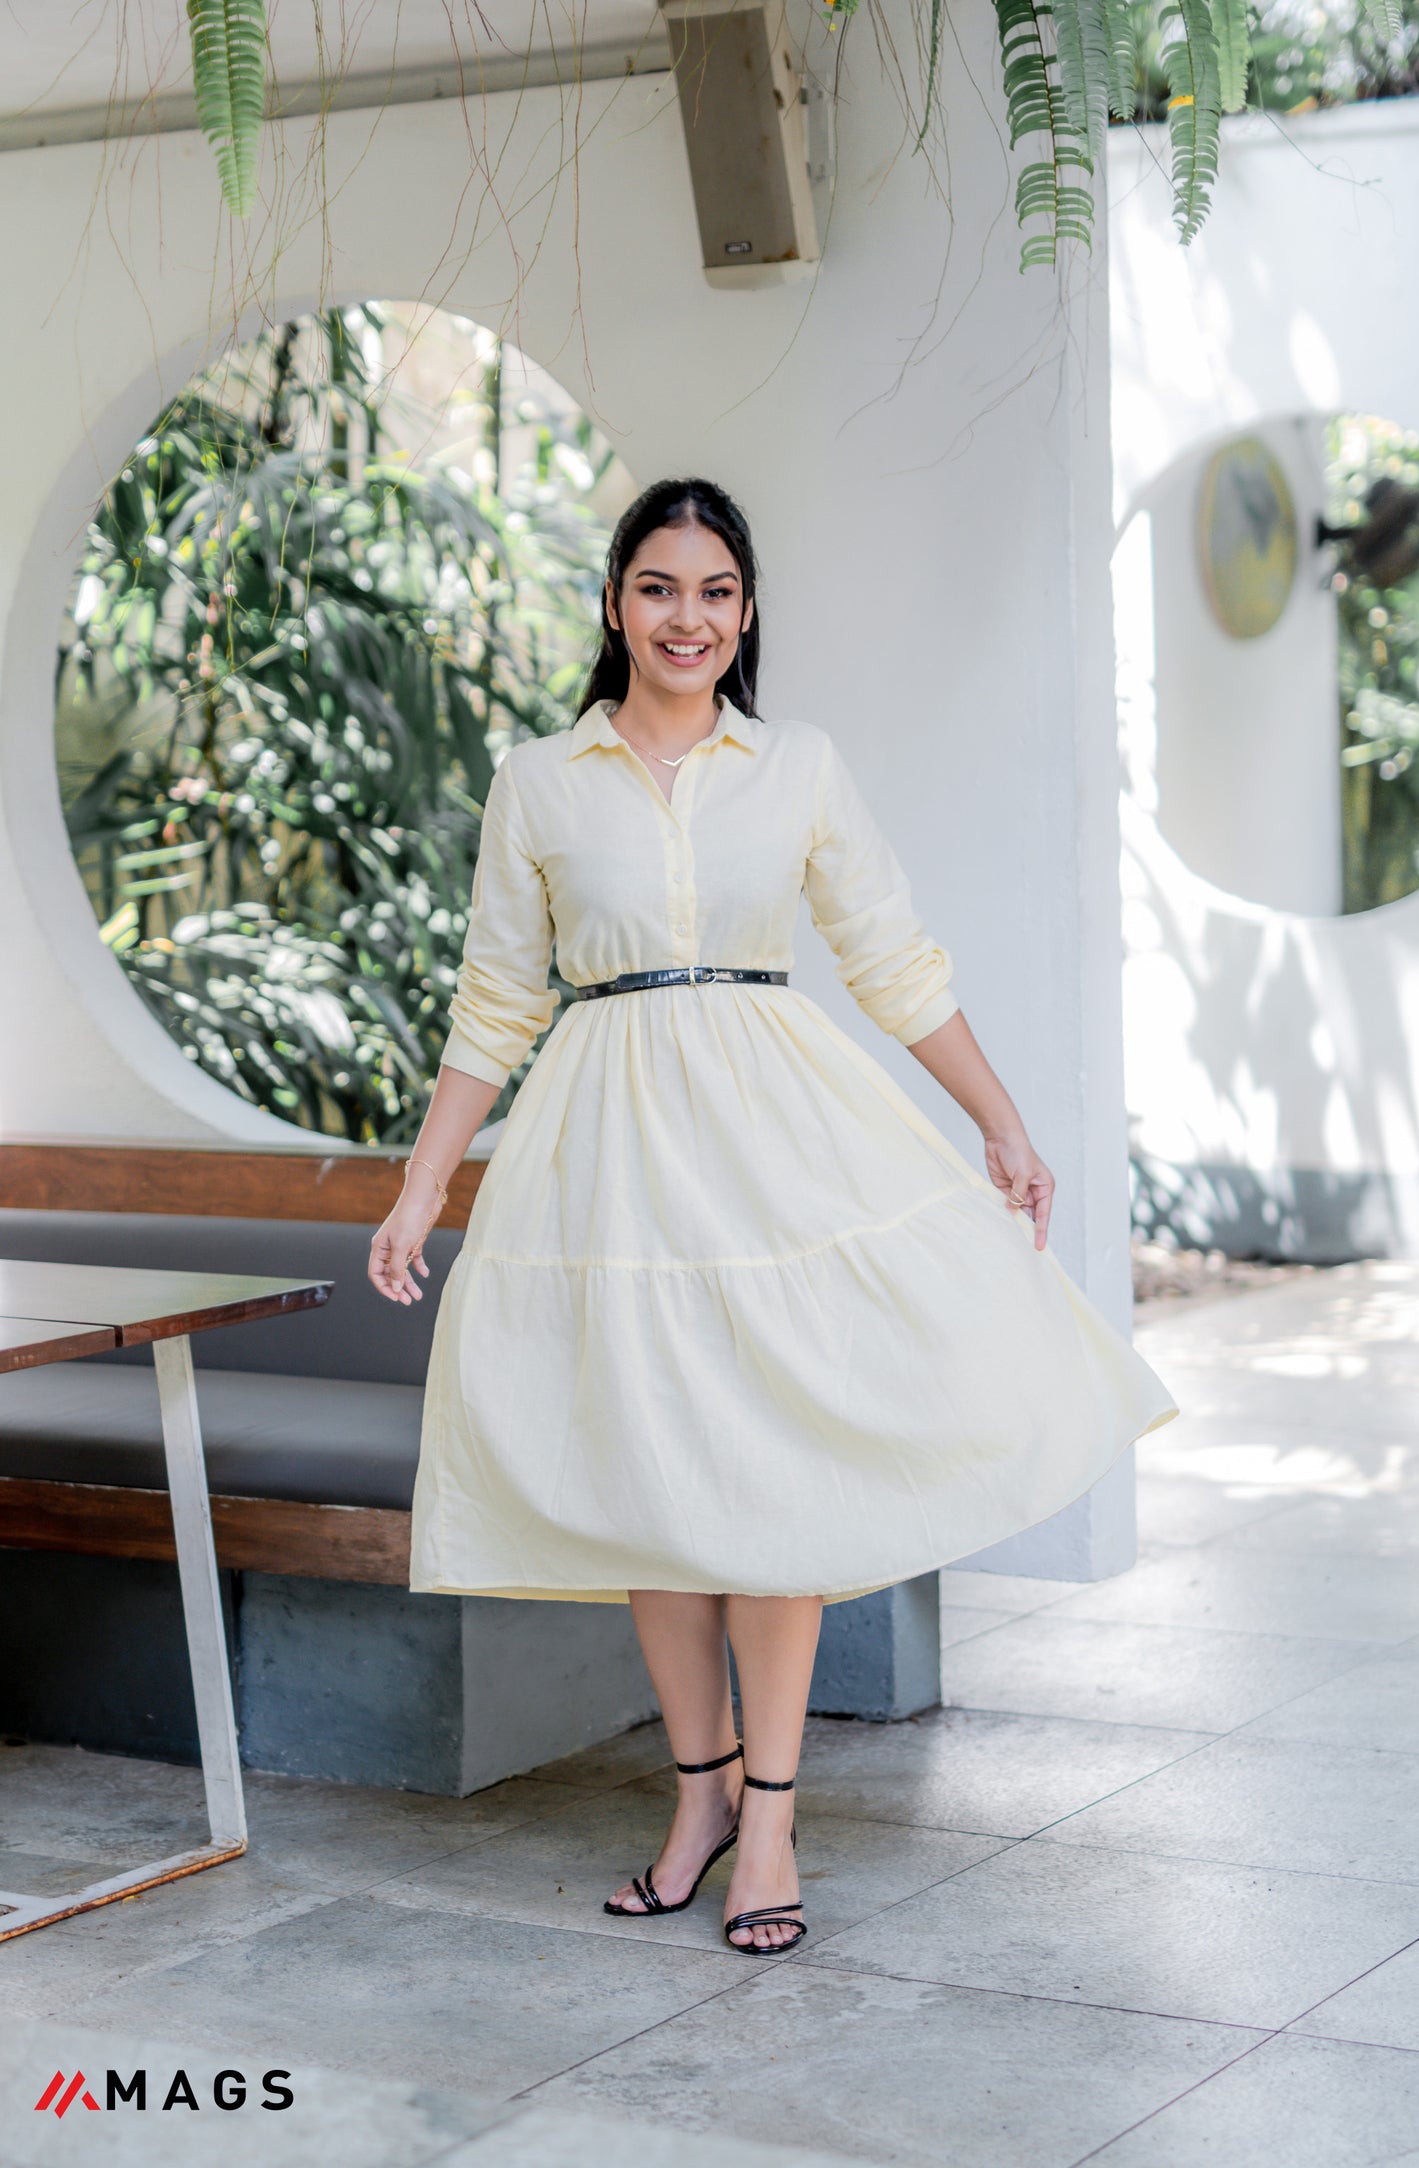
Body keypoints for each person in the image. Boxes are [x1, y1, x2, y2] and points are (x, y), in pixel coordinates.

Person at [369, 477, 1176, 1954]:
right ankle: (699, 1796)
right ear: (614, 601)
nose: (690, 617)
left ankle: (775, 1824)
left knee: (772, 1484)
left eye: (718, 592)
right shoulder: (540, 780)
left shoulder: (792, 762)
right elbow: (497, 996)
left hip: (771, 1142)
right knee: (654, 1496)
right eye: (662, 587)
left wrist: (997, 1122)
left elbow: (889, 955)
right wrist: (425, 1182)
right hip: (607, 1154)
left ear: (746, 612)